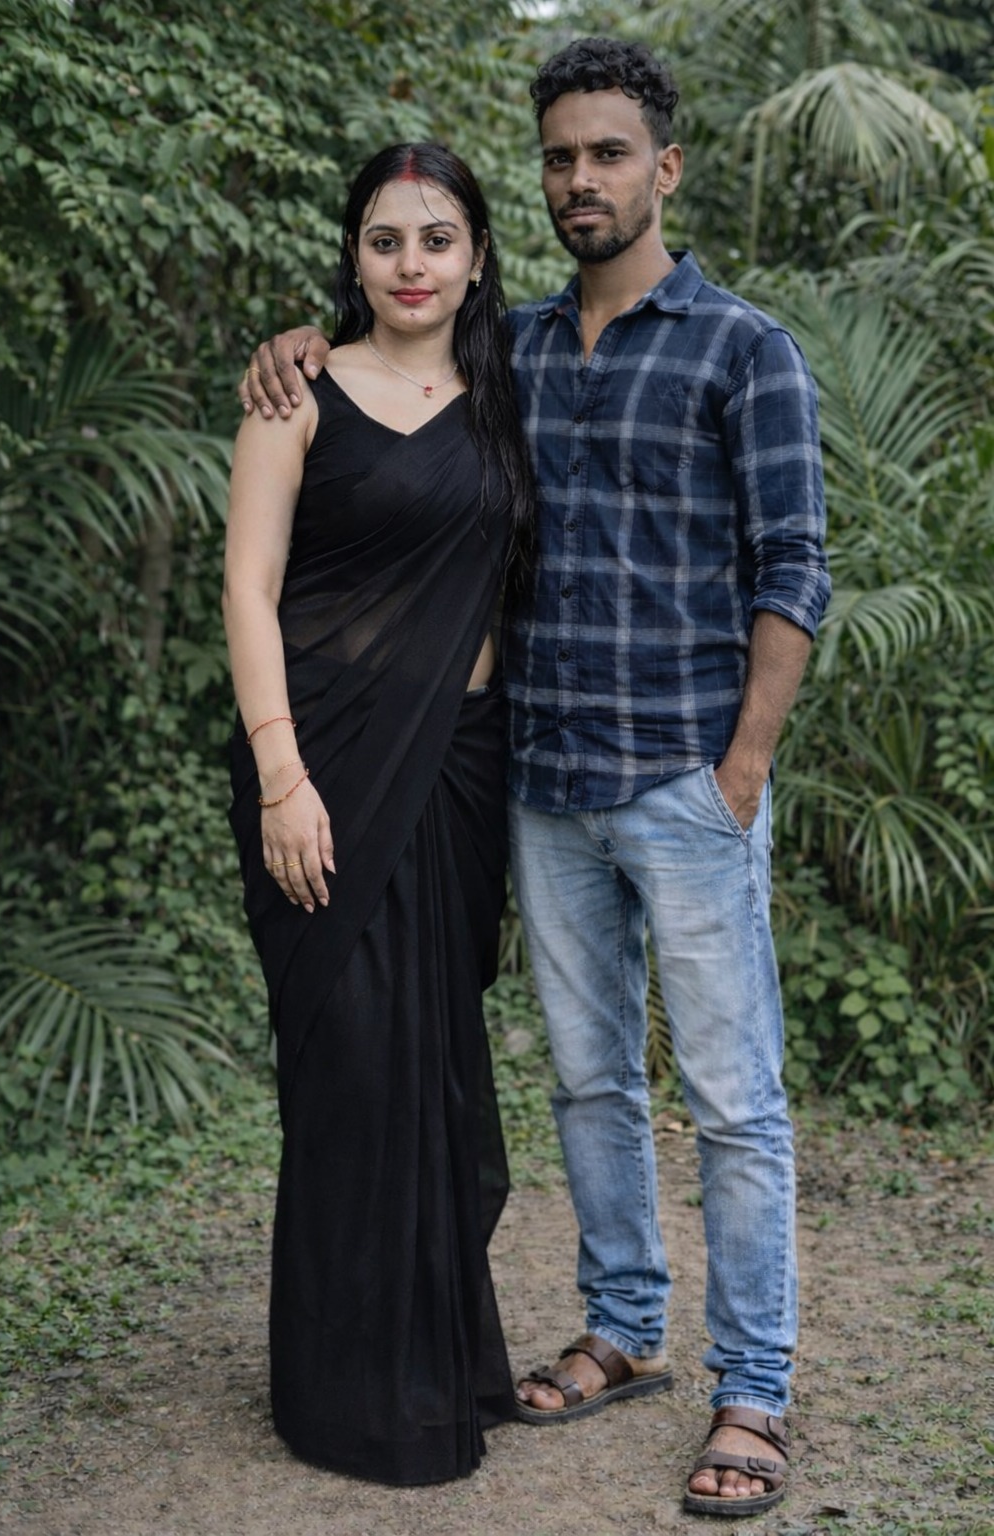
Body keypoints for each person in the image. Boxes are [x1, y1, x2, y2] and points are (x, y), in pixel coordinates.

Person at [239, 36, 830, 1519]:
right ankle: (624, 1328)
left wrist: (744, 768)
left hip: (685, 782)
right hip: (544, 781)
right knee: (588, 1081)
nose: (583, 178)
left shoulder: (742, 349)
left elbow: (794, 570)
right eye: (561, 156)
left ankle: (753, 1389)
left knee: (732, 1099)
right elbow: (386, 360)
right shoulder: (515, 351)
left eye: (608, 153)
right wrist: (293, 342)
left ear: (663, 169)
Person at [223, 141, 534, 1487]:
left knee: (441, 1073)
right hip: (324, 769)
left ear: (476, 256)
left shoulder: (511, 391)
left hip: (461, 768)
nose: (413, 263)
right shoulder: (297, 391)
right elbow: (248, 589)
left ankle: (439, 1358)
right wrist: (281, 777)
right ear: (352, 254)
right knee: (350, 1068)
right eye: (386, 238)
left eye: (438, 238)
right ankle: (341, 1391)